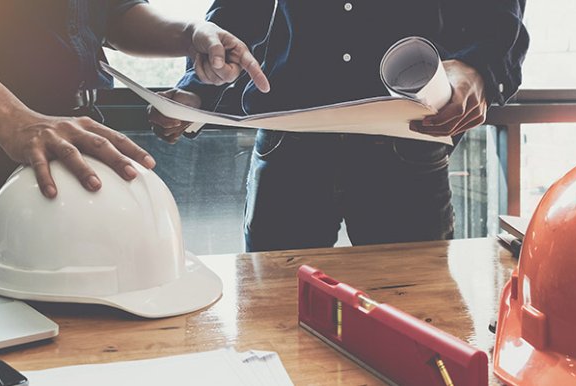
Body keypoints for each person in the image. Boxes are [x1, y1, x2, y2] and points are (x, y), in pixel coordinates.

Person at [0, 0, 270, 266]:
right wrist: (13, 120)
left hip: (79, 135)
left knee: (82, 339)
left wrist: (191, 34)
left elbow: (112, 11)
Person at [149, 1, 529, 252]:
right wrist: (196, 89)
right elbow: (240, 9)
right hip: (291, 146)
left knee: (414, 322)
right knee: (274, 322)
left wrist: (482, 67)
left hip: (406, 141)